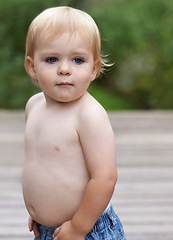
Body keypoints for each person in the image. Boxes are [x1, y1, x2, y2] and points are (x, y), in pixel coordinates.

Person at [22, 6, 126, 240]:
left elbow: (105, 178)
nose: (64, 69)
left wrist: (78, 227)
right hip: (47, 230)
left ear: (94, 69)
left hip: (86, 229)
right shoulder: (33, 106)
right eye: (51, 59)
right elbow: (40, 164)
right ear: (32, 67)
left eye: (78, 60)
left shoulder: (89, 115)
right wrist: (40, 209)